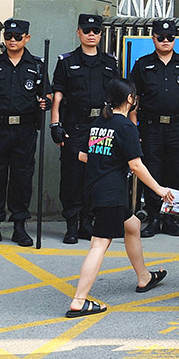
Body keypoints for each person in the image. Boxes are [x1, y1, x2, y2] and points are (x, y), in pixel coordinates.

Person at [64, 78, 173, 318]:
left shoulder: (98, 123)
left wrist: (107, 163)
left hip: (95, 188)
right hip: (110, 193)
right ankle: (79, 300)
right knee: (99, 244)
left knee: (132, 225)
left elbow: (83, 155)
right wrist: (159, 189)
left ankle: (144, 277)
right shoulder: (125, 127)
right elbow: (136, 164)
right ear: (130, 99)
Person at [0, 18, 49, 249]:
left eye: (18, 37)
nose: (12, 40)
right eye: (9, 37)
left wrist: (44, 103)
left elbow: (45, 95)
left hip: (24, 130)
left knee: (22, 177)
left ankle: (19, 225)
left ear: (27, 38)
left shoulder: (36, 66)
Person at [51, 14, 119, 245]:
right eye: (87, 30)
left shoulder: (110, 62)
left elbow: (116, 98)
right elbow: (58, 95)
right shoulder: (66, 61)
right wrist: (55, 124)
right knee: (72, 176)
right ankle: (71, 223)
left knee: (95, 175)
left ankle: (87, 222)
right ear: (78, 32)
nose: (91, 34)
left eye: (95, 31)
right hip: (75, 127)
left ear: (101, 34)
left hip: (100, 126)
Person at [129, 20, 179, 239]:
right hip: (150, 126)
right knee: (152, 170)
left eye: (170, 38)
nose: (166, 41)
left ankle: (170, 218)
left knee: (175, 171)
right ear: (153, 39)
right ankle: (153, 218)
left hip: (177, 126)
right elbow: (133, 98)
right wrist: (133, 127)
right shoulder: (143, 64)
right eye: (161, 37)